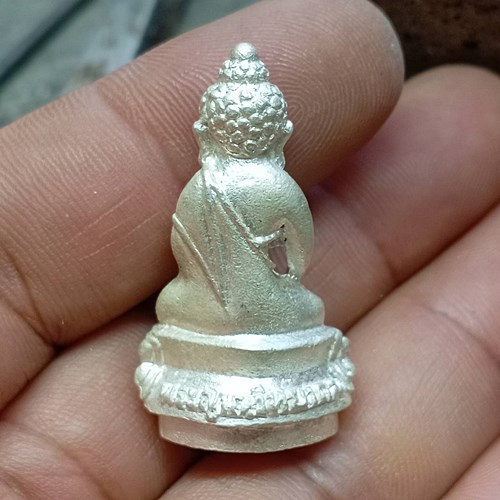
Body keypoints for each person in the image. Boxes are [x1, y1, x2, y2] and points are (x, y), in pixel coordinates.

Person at [0, 0, 499, 498]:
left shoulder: (200, 185)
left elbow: (183, 253)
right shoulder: (276, 186)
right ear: (279, 133)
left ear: (207, 132)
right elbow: (298, 256)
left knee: (174, 303)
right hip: (265, 307)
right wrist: (274, 269)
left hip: (200, 312)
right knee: (305, 306)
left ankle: (201, 381)